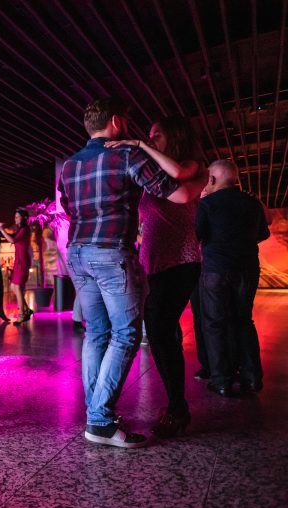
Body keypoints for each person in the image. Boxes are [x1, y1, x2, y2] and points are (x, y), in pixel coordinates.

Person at [58, 98, 207, 449]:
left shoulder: (68, 166)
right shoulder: (126, 154)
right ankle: (100, 420)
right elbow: (173, 190)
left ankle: (96, 412)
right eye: (126, 121)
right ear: (115, 121)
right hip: (110, 252)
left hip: (78, 253)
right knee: (125, 335)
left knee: (96, 333)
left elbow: (67, 208)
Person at [105, 115, 206, 438]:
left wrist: (137, 144)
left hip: (182, 260)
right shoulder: (155, 178)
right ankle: (176, 405)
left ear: (174, 137)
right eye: (149, 136)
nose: (151, 140)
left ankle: (178, 408)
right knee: (162, 332)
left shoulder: (192, 166)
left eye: (157, 136)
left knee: (161, 329)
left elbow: (178, 173)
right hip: (156, 262)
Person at [196, 159, 270, 397]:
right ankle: (252, 378)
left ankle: (221, 380)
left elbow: (197, 235)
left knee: (214, 323)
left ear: (213, 179)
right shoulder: (252, 203)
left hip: (216, 269)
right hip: (247, 269)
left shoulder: (207, 204)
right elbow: (262, 234)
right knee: (244, 321)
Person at [0, 208, 32, 325]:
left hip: (22, 262)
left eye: (17, 217)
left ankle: (22, 314)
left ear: (23, 218)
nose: (15, 219)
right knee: (14, 287)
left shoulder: (25, 229)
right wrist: (2, 232)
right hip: (19, 261)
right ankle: (26, 309)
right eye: (15, 217)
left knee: (17, 287)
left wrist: (1, 230)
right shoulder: (20, 230)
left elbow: (12, 240)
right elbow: (11, 237)